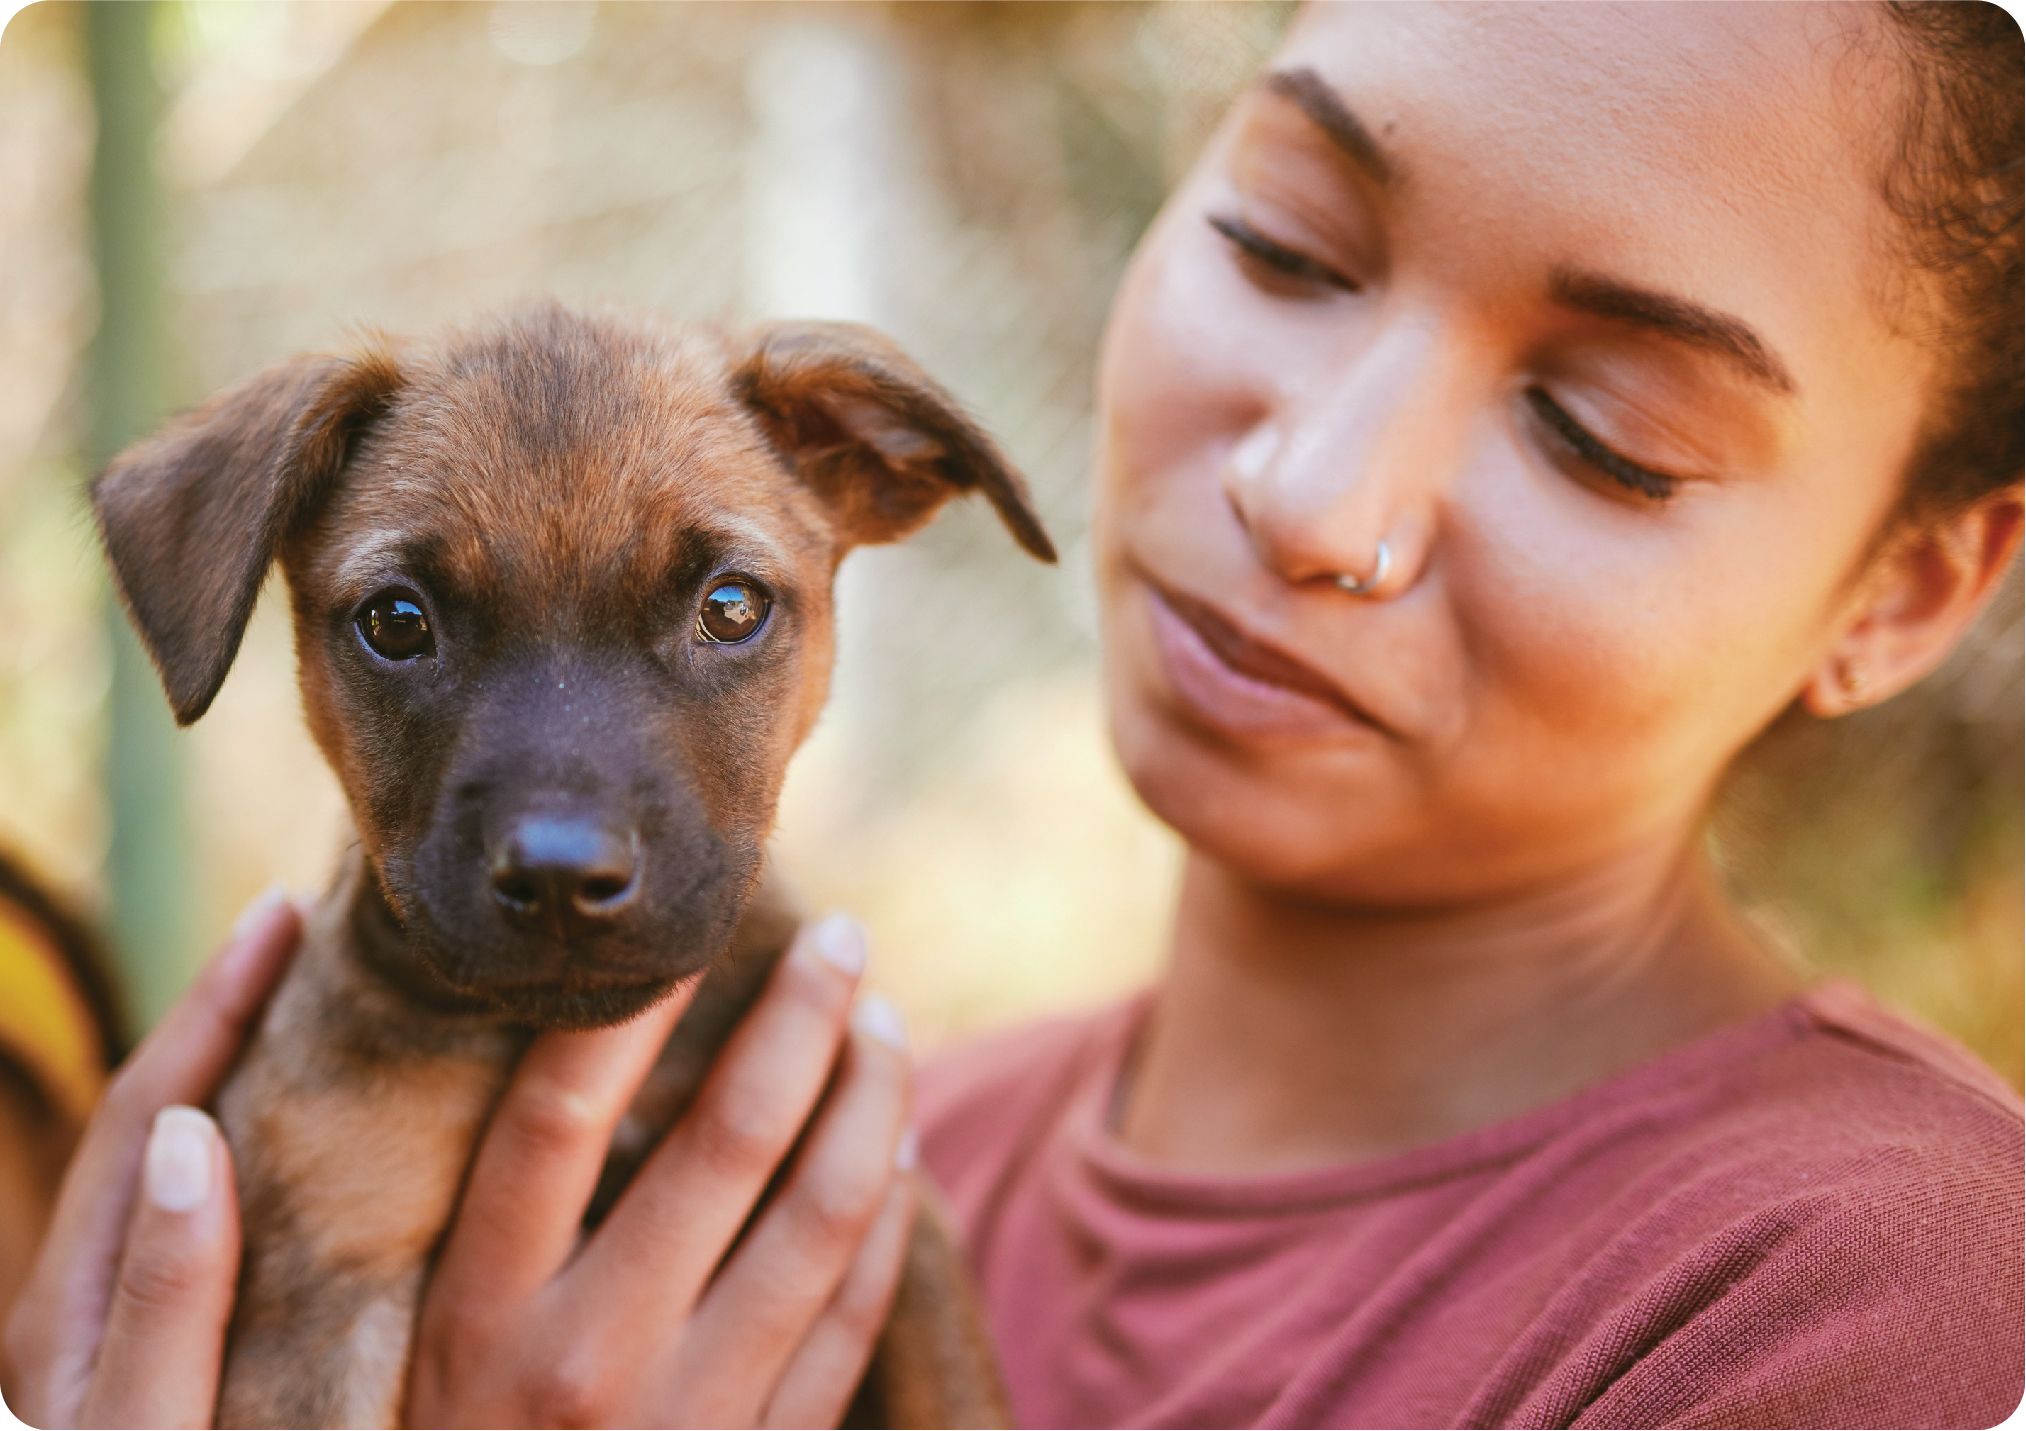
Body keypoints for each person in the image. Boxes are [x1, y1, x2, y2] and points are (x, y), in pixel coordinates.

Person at [3, 2, 2020, 1426]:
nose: (1308, 493)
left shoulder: (1887, 1303)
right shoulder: (901, 1120)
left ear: (1911, 580)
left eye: (1603, 433)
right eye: (1282, 242)